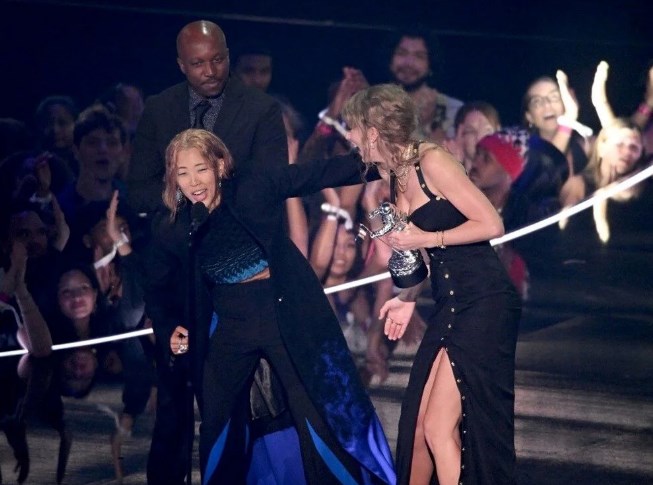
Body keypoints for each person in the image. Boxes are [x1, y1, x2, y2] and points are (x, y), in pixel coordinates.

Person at [148, 128, 395, 484]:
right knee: (217, 420)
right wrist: (169, 326)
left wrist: (377, 160)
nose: (193, 182)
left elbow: (316, 174)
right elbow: (157, 286)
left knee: (314, 408)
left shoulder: (252, 186)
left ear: (219, 165)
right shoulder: (175, 225)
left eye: (200, 169)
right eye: (182, 173)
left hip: (281, 314)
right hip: (230, 326)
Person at [126, 19, 289, 484]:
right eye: (198, 63)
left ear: (228, 55)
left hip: (236, 278)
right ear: (181, 65)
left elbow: (269, 187)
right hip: (175, 273)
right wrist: (187, 204)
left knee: (235, 402)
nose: (210, 70)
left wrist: (215, 206)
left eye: (218, 59)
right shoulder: (160, 109)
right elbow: (138, 190)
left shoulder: (260, 110)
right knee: (174, 403)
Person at [342, 84, 521, 485]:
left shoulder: (433, 161)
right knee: (419, 428)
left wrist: (426, 237)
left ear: (373, 132)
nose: (350, 137)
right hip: (450, 304)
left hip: (484, 301)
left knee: (440, 429)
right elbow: (421, 258)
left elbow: (492, 224)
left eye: (353, 128)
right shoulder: (396, 177)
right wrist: (407, 298)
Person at [387, 28, 463, 142]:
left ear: (430, 65)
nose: (409, 63)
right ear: (389, 60)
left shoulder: (453, 111)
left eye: (419, 56)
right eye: (402, 53)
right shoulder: (371, 106)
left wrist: (426, 126)